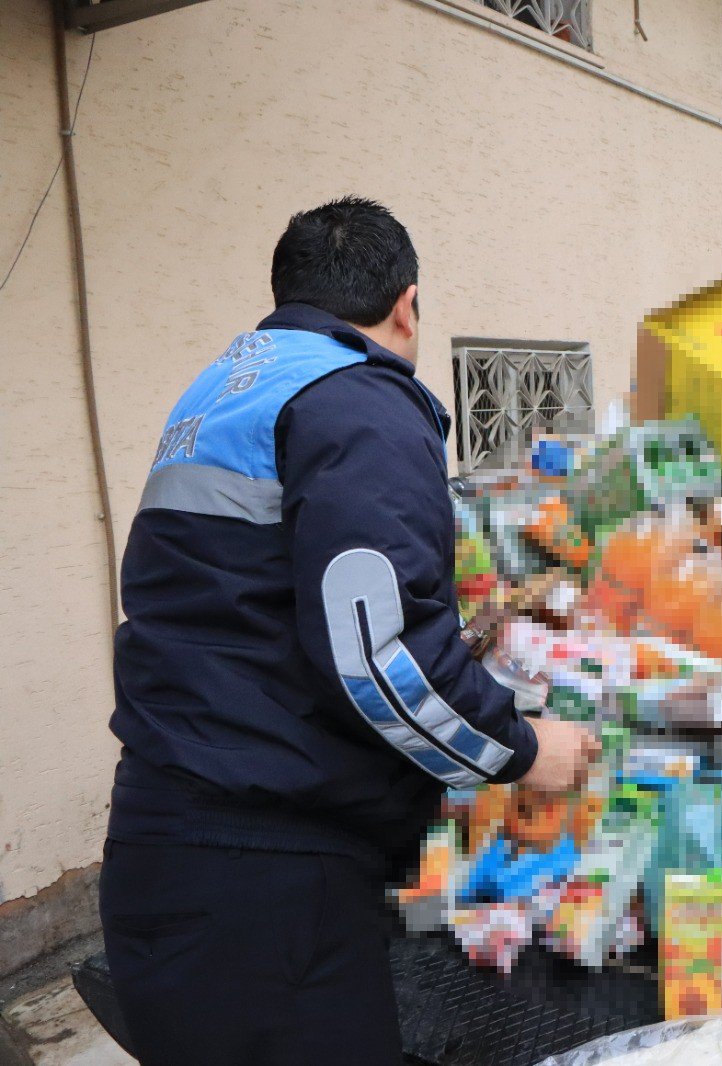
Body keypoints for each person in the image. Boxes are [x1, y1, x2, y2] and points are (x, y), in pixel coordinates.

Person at [100, 197, 598, 1064]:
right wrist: (521, 749)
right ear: (407, 304)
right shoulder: (357, 401)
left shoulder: (224, 389)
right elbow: (381, 655)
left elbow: (268, 607)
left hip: (169, 834)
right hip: (267, 878)